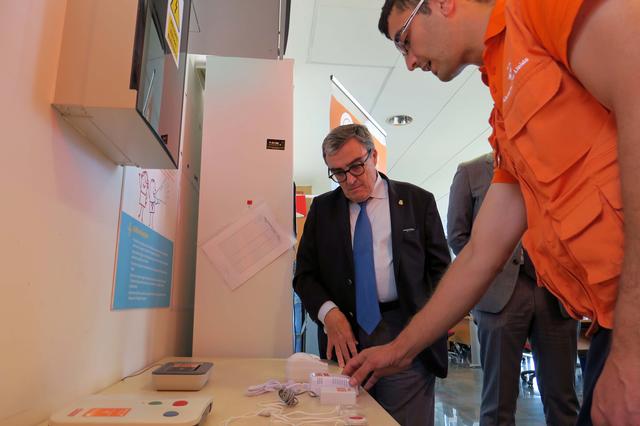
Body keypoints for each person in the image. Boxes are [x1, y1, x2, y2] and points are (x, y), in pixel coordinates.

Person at [343, 1, 640, 425]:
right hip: (611, 323)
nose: (409, 62)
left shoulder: (535, 10)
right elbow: (482, 252)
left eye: (404, 41)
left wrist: (632, 348)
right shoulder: (504, 112)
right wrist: (400, 349)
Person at [293, 123, 450, 425]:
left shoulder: (417, 201)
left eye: (356, 166)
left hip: (405, 334)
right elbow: (305, 275)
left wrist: (426, 327)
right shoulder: (323, 210)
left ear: (373, 156)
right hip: (343, 341)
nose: (350, 180)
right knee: (344, 419)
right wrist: (329, 314)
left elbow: (441, 273)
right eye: (338, 173)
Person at [448, 153, 579, 425]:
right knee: (497, 404)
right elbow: (458, 236)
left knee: (563, 401)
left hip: (556, 292)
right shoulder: (472, 172)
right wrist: (493, 267)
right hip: (499, 296)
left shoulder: (560, 163)